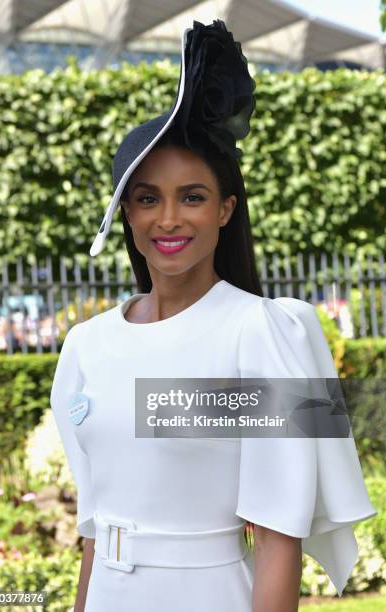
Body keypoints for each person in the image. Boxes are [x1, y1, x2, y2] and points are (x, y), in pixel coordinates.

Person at [50, 20, 377, 612]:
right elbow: (94, 530)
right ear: (126, 212)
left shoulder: (267, 332)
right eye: (148, 198)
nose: (168, 218)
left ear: (226, 209)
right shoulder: (85, 345)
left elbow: (280, 541)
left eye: (192, 196)